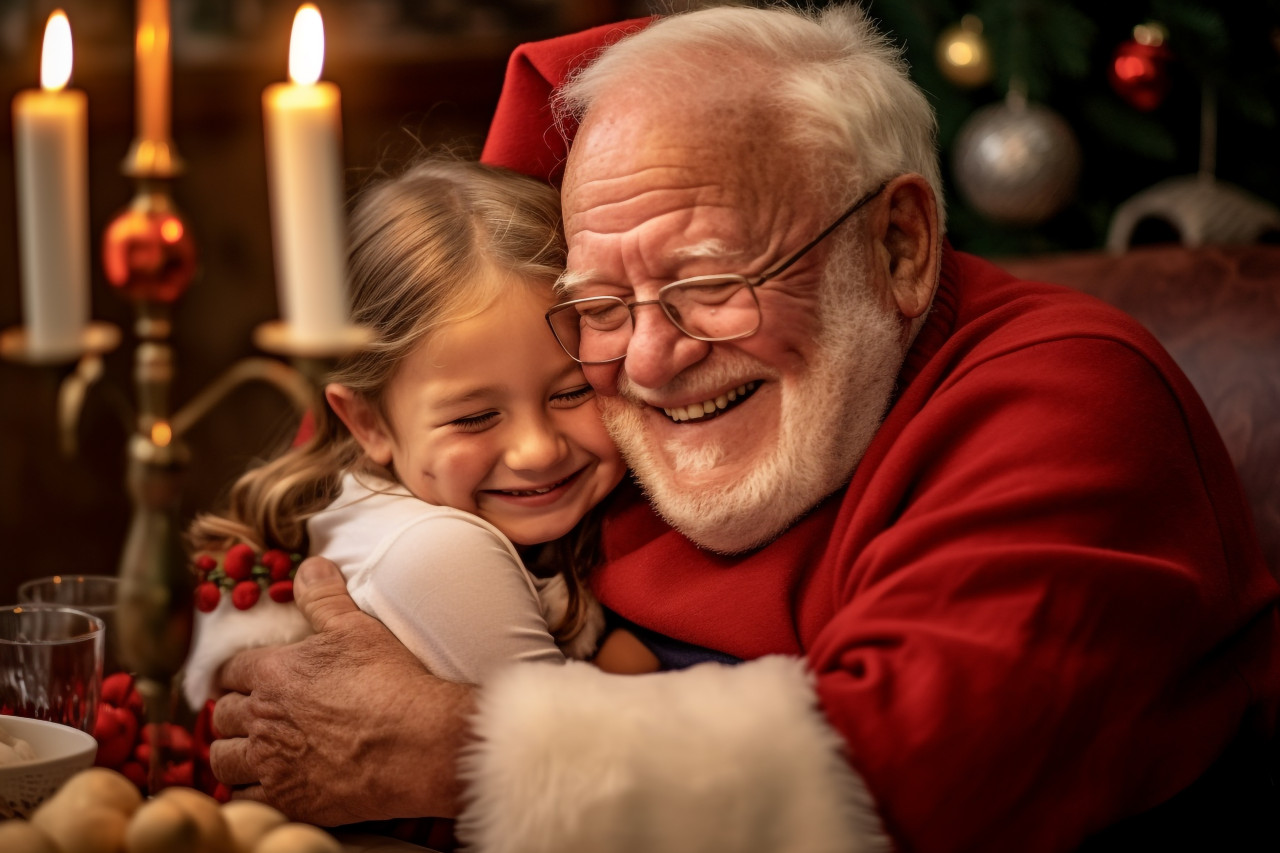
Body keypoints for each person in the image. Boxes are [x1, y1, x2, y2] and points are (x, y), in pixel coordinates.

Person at [209, 5, 1280, 852]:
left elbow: (909, 785)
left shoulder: (1068, 396)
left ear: (899, 246)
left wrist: (450, 751)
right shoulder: (590, 427)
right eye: (600, 303)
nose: (647, 358)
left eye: (708, 281)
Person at [182, 157, 632, 712]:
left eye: (572, 392)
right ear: (368, 422)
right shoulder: (439, 553)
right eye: (473, 418)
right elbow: (564, 767)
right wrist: (634, 662)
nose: (538, 449)